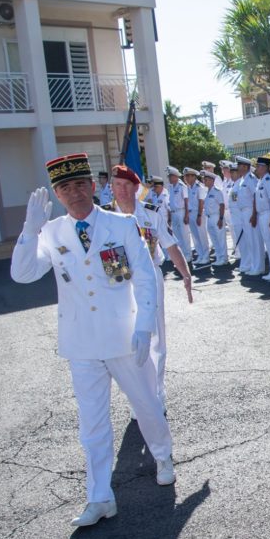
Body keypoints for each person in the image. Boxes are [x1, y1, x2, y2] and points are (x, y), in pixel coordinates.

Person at [11, 153, 177, 528]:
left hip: (123, 336)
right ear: (57, 193)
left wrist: (144, 325)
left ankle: (163, 457)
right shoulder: (52, 232)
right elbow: (22, 274)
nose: (74, 193)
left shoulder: (121, 225)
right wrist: (29, 230)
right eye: (65, 188)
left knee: (147, 404)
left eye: (80, 185)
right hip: (82, 343)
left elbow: (145, 277)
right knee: (92, 425)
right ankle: (100, 497)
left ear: (92, 186)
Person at [106, 164, 193, 409]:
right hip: (118, 279)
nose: (121, 191)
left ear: (136, 188)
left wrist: (185, 274)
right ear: (111, 188)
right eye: (116, 185)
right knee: (126, 340)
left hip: (150, 276)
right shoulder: (104, 216)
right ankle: (137, 397)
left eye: (126, 185)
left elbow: (170, 244)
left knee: (155, 338)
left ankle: (156, 392)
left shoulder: (151, 214)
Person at [200, 171, 229, 268]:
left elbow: (222, 205)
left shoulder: (217, 191)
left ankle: (224, 258)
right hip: (209, 217)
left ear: (212, 180)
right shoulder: (207, 192)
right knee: (214, 239)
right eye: (204, 179)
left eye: (206, 179)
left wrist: (221, 218)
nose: (204, 181)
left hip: (216, 216)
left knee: (220, 238)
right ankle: (219, 257)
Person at [167, 166, 193, 266]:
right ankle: (182, 256)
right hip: (173, 213)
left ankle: (188, 256)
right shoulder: (170, 187)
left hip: (181, 212)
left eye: (170, 176)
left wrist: (186, 215)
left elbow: (186, 201)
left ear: (175, 176)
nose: (169, 178)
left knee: (184, 235)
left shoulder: (182, 186)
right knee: (177, 236)